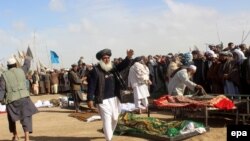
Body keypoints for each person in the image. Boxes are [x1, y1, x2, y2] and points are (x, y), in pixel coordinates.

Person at [88, 48, 133, 141]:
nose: (107, 59)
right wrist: (90, 99)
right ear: (101, 59)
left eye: (108, 57)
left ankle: (109, 134)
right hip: (103, 100)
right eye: (104, 58)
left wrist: (128, 57)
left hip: (115, 98)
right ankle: (109, 139)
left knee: (115, 119)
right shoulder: (95, 71)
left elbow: (122, 65)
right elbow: (91, 86)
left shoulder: (112, 68)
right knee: (107, 120)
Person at [0, 56, 38, 141]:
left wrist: (1, 99)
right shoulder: (21, 70)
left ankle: (15, 135)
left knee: (11, 119)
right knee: (26, 118)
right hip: (24, 98)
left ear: (8, 66)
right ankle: (27, 138)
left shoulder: (4, 75)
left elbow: (2, 89)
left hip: (11, 101)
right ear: (16, 64)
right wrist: (27, 58)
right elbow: (27, 65)